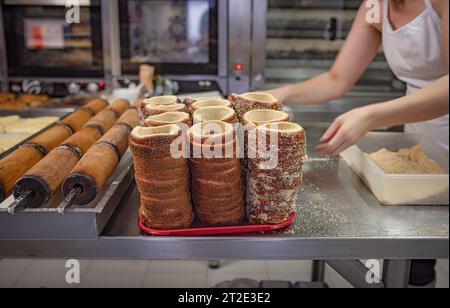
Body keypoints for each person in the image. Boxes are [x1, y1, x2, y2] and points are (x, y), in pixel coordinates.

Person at [267, 0, 448, 288]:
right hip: (421, 131)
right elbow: (336, 79)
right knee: (416, 251)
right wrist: (278, 94)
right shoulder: (375, 7)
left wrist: (370, 116)